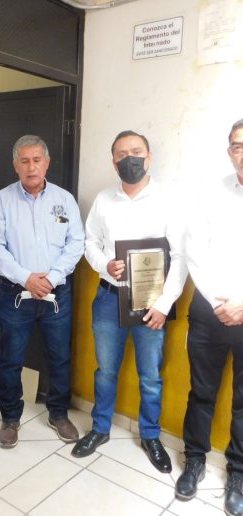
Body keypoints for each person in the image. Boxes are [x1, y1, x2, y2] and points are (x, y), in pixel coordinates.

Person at [71, 130, 187, 473]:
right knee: (106, 370)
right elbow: (89, 243)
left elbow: (180, 257)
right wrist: (104, 264)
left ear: (149, 157)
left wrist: (164, 304)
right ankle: (100, 428)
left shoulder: (168, 199)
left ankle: (150, 436)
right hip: (109, 298)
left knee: (150, 375)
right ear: (113, 162)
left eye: (136, 152)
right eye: (121, 154)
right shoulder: (104, 200)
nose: (129, 159)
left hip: (153, 302)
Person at [0, 134, 84, 448]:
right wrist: (27, 278)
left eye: (37, 160)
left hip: (57, 295)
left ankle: (58, 413)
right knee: (11, 359)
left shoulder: (64, 200)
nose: (31, 167)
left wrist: (51, 278)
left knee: (59, 357)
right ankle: (10, 417)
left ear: (47, 162)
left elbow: (76, 243)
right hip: (16, 294)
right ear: (15, 165)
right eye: (24, 161)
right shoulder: (1, 200)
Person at [175, 119, 243, 515]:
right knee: (201, 392)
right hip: (209, 309)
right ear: (229, 152)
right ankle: (195, 460)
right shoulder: (210, 193)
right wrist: (222, 302)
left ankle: (238, 472)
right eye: (237, 146)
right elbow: (194, 250)